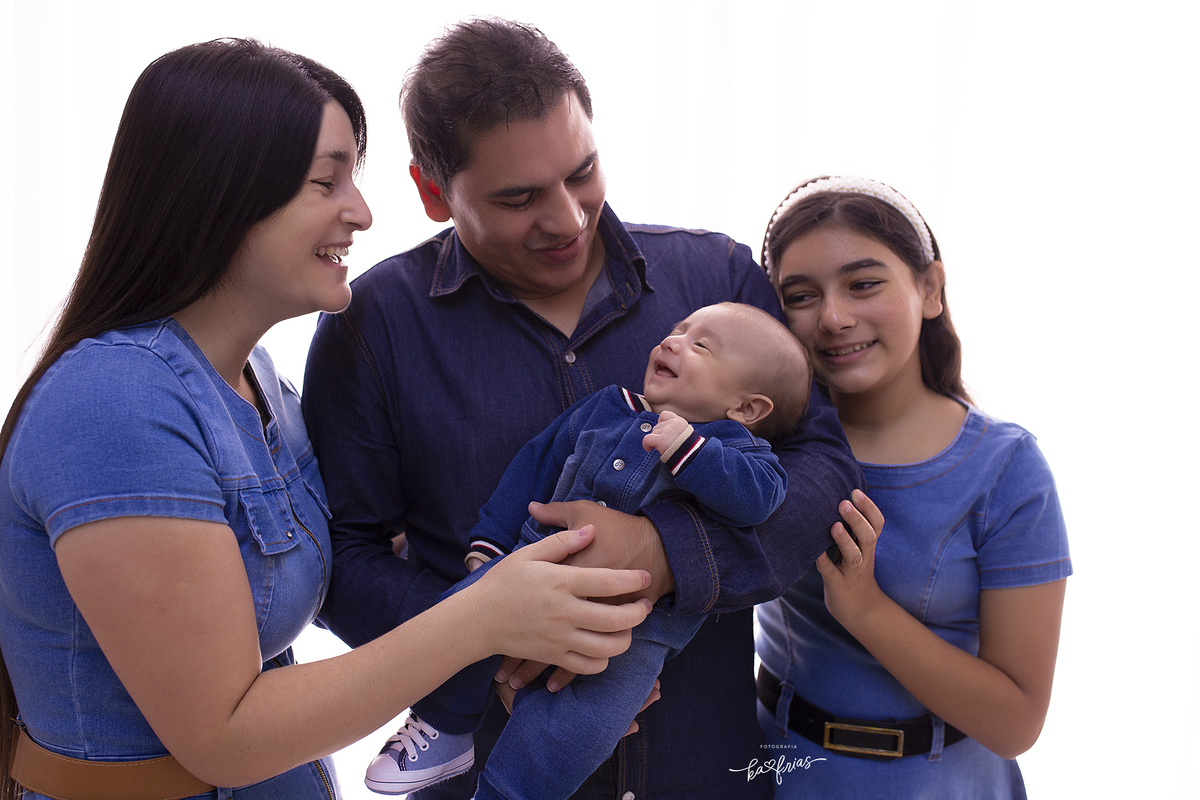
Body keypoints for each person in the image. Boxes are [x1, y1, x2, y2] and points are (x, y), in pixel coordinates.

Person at [0, 39, 654, 800]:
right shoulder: (114, 404)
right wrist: (487, 618)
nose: (362, 213)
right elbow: (224, 736)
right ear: (220, 195)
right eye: (326, 182)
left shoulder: (261, 386)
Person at [301, 17, 862, 800]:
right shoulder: (373, 325)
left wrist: (665, 555)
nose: (567, 218)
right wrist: (487, 637)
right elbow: (338, 558)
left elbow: (822, 470)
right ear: (432, 193)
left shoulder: (719, 277)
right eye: (519, 197)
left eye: (583, 172)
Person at [365, 302, 811, 798]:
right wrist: (490, 544)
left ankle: (508, 794)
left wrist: (689, 449)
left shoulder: (739, 451)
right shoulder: (609, 406)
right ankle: (443, 726)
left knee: (583, 727)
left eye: (700, 345)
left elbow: (759, 500)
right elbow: (536, 464)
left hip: (637, 633)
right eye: (677, 330)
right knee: (458, 618)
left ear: (747, 409)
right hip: (534, 567)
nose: (672, 341)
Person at [754, 176, 1071, 798]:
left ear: (930, 288)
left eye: (863, 284)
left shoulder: (1008, 468)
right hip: (777, 772)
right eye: (801, 296)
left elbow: (1016, 722)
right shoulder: (763, 445)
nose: (834, 318)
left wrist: (865, 609)